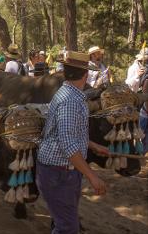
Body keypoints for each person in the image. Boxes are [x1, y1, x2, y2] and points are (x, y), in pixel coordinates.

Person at [37, 51, 110, 234]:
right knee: (68, 228)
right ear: (86, 75)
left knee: (65, 224)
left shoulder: (68, 94)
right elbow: (68, 144)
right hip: (59, 173)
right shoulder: (70, 101)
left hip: (62, 172)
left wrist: (92, 145)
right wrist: (93, 176)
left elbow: (69, 133)